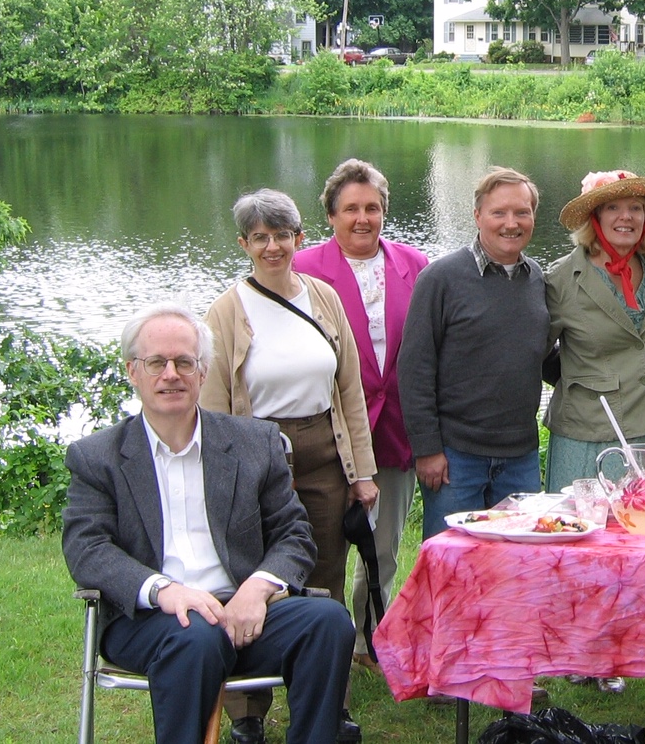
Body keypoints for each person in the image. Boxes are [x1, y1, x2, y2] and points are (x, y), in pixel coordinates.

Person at [62, 302, 354, 744]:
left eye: (185, 362)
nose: (171, 374)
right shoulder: (97, 457)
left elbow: (293, 533)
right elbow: (88, 549)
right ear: (133, 372)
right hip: (150, 620)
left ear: (203, 372)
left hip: (244, 613)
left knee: (328, 621)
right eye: (156, 362)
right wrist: (165, 591)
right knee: (195, 636)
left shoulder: (254, 442)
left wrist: (257, 589)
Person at [202, 189, 377, 744]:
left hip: (325, 452)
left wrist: (363, 473)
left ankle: (326, 706)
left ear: (300, 237)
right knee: (246, 580)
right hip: (255, 458)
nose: (273, 246)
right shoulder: (226, 311)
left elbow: (350, 389)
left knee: (323, 576)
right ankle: (247, 713)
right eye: (260, 237)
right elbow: (210, 407)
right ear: (244, 244)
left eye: (283, 235)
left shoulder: (324, 297)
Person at [294, 159, 429, 672]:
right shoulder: (302, 269)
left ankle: (368, 636)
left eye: (372, 207)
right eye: (350, 208)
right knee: (322, 544)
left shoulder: (414, 265)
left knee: (385, 543)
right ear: (331, 215)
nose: (363, 218)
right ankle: (316, 638)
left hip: (394, 428)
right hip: (327, 431)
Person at [398, 167, 550, 540]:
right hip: (455, 458)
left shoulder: (538, 280)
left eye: (522, 212)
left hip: (521, 458)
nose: (511, 224)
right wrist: (427, 449)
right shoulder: (440, 279)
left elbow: (541, 355)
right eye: (499, 213)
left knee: (518, 566)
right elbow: (415, 368)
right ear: (478, 216)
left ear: (533, 216)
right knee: (450, 566)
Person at [545, 169, 645, 493]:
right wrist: (583, 381)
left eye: (635, 208)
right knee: (585, 534)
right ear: (595, 217)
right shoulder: (561, 278)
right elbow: (534, 354)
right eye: (613, 207)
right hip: (589, 437)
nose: (626, 217)